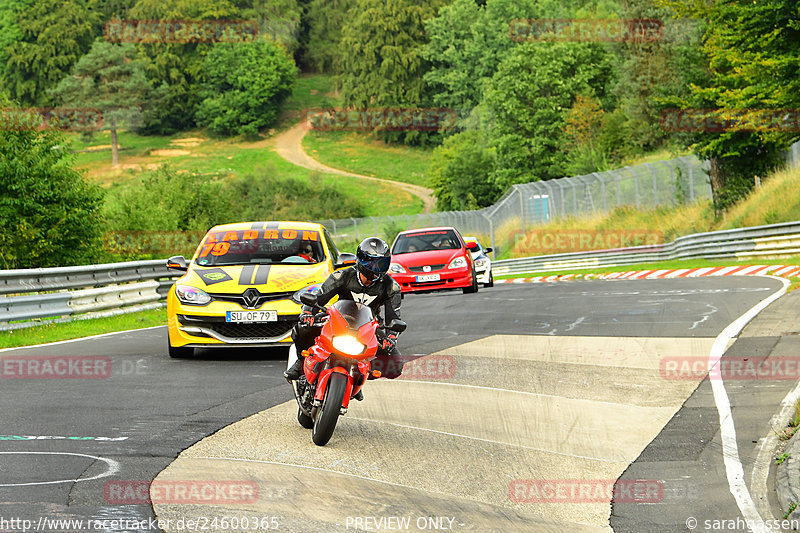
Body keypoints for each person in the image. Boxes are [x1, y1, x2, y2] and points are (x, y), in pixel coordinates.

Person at [284, 237, 404, 398]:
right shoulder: (342, 276)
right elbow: (318, 298)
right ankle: (301, 362)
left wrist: (391, 337)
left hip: (367, 328)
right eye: (371, 262)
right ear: (361, 260)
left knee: (396, 365)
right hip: (336, 319)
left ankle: (357, 376)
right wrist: (307, 313)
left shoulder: (391, 287)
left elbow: (393, 317)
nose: (375, 268)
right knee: (302, 328)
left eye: (381, 263)